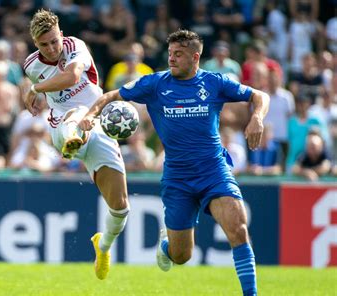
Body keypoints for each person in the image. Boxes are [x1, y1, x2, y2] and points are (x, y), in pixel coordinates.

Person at [79, 29, 269, 296]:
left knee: (238, 228)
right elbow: (110, 96)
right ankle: (166, 246)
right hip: (178, 179)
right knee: (181, 256)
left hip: (213, 171)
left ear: (195, 57)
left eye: (178, 54)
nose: (172, 59)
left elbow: (260, 96)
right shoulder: (155, 84)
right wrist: (90, 115)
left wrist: (257, 117)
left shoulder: (214, 83)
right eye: (170, 54)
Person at [23, 9, 129, 280]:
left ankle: (103, 246)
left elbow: (71, 77)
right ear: (35, 44)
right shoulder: (31, 65)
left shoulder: (76, 46)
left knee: (120, 207)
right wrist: (36, 90)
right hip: (61, 124)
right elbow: (46, 89)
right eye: (44, 45)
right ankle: (72, 139)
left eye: (54, 41)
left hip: (98, 124)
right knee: (74, 116)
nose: (51, 48)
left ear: (61, 34)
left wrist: (36, 89)